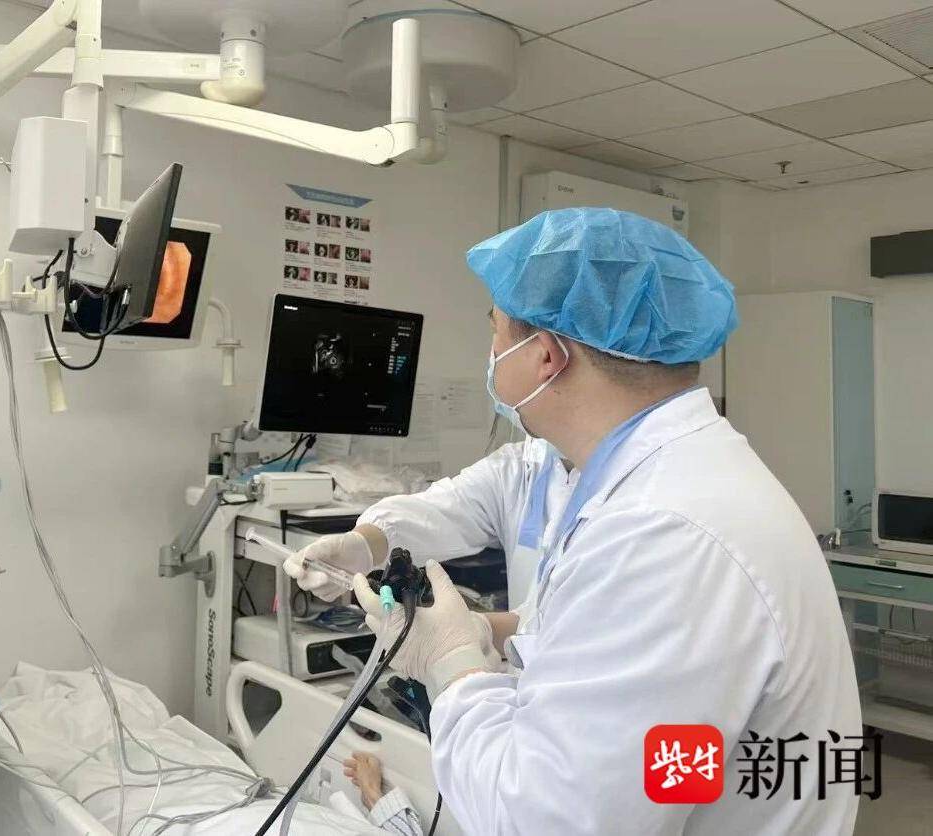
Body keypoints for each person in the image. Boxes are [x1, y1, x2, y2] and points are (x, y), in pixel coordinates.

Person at [285, 208, 861, 834]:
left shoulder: (660, 529)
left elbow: (545, 819)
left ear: (546, 356)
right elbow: (591, 641)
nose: (492, 357)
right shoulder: (658, 481)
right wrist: (469, 621)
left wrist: (451, 663)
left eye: (496, 334)